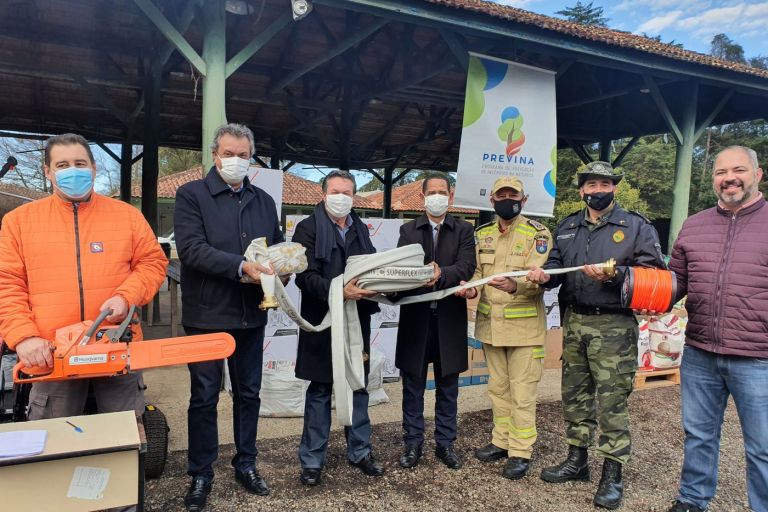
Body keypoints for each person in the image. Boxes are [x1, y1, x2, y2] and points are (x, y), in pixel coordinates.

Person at [527, 161, 665, 510]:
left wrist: (615, 276)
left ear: (614, 188)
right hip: (575, 323)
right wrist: (544, 276)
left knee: (612, 403)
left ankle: (612, 473)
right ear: (581, 190)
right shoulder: (568, 226)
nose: (597, 190)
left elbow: (654, 275)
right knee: (574, 397)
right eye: (591, 185)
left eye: (604, 184)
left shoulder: (635, 226)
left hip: (614, 327)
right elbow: (556, 266)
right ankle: (577, 461)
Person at [0, 133, 166, 419]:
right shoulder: (19, 222)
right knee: (54, 439)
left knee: (122, 435)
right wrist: (24, 337)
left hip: (116, 344)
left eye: (80, 163)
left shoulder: (126, 216)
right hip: (50, 352)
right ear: (48, 171)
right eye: (62, 165)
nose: (72, 170)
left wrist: (127, 297)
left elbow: (152, 262)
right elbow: (7, 284)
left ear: (93, 168)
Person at [174, 123, 284, 511]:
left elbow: (275, 245)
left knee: (249, 393)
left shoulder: (264, 201)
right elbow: (191, 249)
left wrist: (283, 265)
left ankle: (246, 463)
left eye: (243, 155)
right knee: (204, 396)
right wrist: (242, 267)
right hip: (206, 314)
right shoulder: (191, 195)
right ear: (214, 155)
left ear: (251, 157)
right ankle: (201, 472)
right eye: (228, 153)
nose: (235, 161)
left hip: (250, 314)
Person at [666, 146, 767, 512]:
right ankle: (693, 499)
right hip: (701, 352)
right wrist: (649, 294)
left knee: (762, 445)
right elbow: (676, 282)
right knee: (699, 435)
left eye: (738, 169)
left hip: (759, 356)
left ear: (757, 175)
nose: (729, 178)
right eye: (721, 172)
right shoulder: (694, 225)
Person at [455, 176, 551, 480]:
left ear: (522, 200)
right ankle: (501, 440)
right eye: (501, 195)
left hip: (524, 330)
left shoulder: (538, 233)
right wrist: (469, 289)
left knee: (522, 392)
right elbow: (478, 274)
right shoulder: (482, 234)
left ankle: (521, 451)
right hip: (491, 328)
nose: (506, 199)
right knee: (498, 389)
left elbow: (539, 278)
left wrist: (515, 285)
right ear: (492, 200)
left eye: (513, 195)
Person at [292, 169, 383, 486]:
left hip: (357, 317)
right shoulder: (306, 229)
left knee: (358, 385)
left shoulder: (360, 228)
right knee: (319, 390)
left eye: (347, 192)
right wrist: (338, 290)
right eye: (335, 191)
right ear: (323, 193)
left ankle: (360, 452)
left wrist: (374, 285)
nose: (341, 198)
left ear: (354, 196)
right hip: (322, 318)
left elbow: (369, 266)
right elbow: (304, 277)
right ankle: (312, 461)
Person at [391, 174, 476, 470]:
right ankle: (412, 444)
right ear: (423, 196)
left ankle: (445, 444)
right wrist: (421, 275)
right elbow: (402, 268)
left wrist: (441, 274)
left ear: (450, 197)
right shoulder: (407, 230)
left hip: (449, 319)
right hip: (416, 320)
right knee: (412, 386)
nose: (437, 196)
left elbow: (467, 265)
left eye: (443, 192)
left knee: (448, 385)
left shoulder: (464, 230)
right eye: (432, 192)